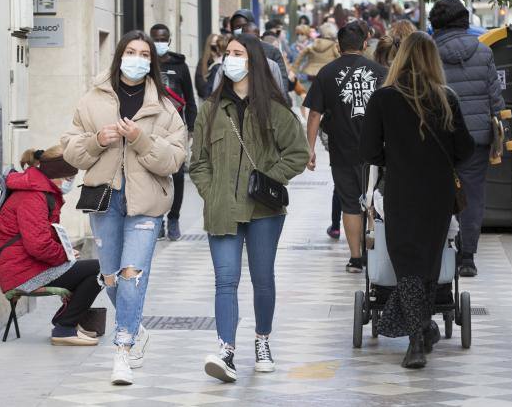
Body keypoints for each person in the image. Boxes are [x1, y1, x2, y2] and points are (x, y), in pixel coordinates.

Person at [62, 30, 187, 386]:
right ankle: (137, 328)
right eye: (130, 52)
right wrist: (97, 140)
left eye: (144, 54)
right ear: (119, 56)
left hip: (146, 203)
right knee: (111, 276)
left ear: (152, 62)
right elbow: (71, 150)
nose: (137, 58)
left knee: (132, 275)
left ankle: (123, 349)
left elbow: (175, 159)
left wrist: (140, 139)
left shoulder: (164, 106)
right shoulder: (92, 100)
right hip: (105, 200)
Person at [190, 34, 309, 383]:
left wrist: (269, 179)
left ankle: (262, 341)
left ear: (253, 61)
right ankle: (226, 350)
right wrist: (211, 193)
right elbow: (198, 162)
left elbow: (298, 154)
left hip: (263, 210)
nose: (230, 59)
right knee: (225, 281)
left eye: (238, 53)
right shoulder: (210, 110)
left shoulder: (275, 110)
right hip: (222, 207)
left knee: (262, 278)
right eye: (227, 53)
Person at [360, 31, 474, 369]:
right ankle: (422, 330)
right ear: (431, 59)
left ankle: (416, 342)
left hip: (401, 193)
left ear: (401, 58)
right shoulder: (446, 98)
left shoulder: (383, 99)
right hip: (438, 195)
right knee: (427, 264)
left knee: (407, 265)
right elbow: (464, 149)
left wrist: (395, 156)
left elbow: (367, 151)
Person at [0, 146, 102, 347]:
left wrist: (66, 252)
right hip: (23, 271)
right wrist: (64, 256)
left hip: (28, 265)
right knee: (101, 270)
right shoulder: (32, 197)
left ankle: (69, 322)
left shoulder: (41, 192)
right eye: (69, 177)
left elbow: (42, 236)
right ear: (56, 175)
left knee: (95, 269)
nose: (71, 182)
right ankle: (64, 327)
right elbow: (38, 245)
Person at [304, 21, 387, 272]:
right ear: (364, 44)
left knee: (350, 203)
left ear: (339, 46)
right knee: (375, 202)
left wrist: (310, 149)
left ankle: (355, 258)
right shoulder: (380, 72)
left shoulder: (326, 73)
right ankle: (376, 254)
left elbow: (314, 115)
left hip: (341, 150)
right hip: (376, 150)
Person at [431, 0, 505, 277]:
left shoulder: (429, 54)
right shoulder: (484, 52)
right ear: (465, 21)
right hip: (475, 139)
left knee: (436, 193)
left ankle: (437, 249)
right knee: (472, 197)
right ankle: (467, 257)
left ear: (435, 24)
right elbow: (495, 100)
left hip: (438, 139)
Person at [150, 24, 196, 241]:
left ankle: (174, 218)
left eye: (163, 39)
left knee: (177, 174)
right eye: (156, 39)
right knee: (155, 174)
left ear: (169, 41)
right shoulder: (145, 64)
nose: (160, 42)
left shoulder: (180, 66)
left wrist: (193, 128)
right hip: (151, 128)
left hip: (177, 129)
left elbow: (190, 99)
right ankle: (158, 218)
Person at [229, 9, 288, 83]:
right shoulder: (229, 51)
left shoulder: (272, 51)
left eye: (244, 26)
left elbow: (282, 81)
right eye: (237, 27)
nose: (241, 30)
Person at [291, 22, 340, 88]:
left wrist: (293, 71)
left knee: (309, 96)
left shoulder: (313, 43)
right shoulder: (334, 46)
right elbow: (341, 59)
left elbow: (301, 56)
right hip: (328, 75)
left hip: (310, 74)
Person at [196, 34, 225, 99]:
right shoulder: (203, 62)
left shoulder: (224, 61)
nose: (216, 49)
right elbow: (200, 86)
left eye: (218, 45)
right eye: (213, 46)